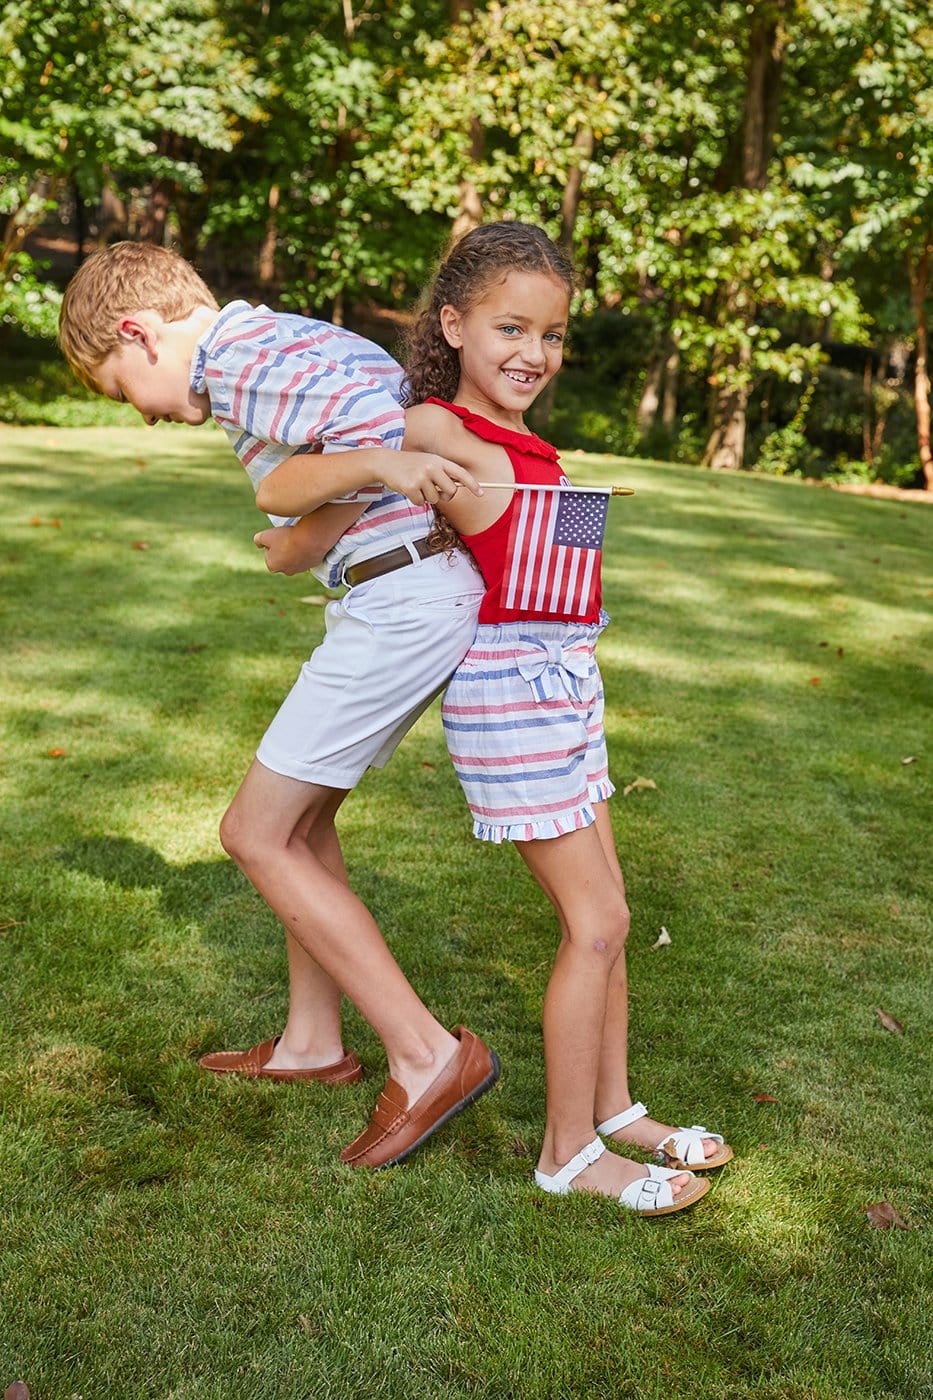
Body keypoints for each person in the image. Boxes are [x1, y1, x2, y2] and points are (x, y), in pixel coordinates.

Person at [259, 222, 732, 1213]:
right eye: (511, 327)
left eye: (552, 335)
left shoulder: (524, 442)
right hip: (510, 695)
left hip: (565, 683)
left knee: (616, 916)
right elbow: (296, 494)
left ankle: (617, 1110)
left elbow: (552, 563)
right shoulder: (434, 425)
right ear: (455, 325)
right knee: (593, 923)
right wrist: (368, 482)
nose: (534, 353)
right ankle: (566, 1154)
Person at [58, 241, 499, 1170]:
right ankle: (312, 1044)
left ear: (138, 333)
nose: (138, 416)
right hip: (401, 590)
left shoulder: (240, 360)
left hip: (401, 599)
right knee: (301, 827)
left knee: (254, 834)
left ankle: (425, 1057)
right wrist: (311, 537)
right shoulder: (275, 339)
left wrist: (301, 532)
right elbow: (383, 434)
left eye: (118, 387)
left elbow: (386, 439)